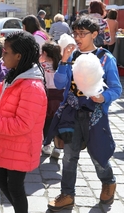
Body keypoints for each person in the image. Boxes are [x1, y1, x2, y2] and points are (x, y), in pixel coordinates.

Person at [47, 15, 122, 212]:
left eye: (82, 34)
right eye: (76, 33)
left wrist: (103, 97)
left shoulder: (105, 58)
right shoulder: (72, 56)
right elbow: (60, 83)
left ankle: (108, 182)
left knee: (98, 155)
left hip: (95, 116)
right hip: (71, 114)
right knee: (69, 157)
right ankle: (67, 194)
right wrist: (63, 61)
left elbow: (116, 89)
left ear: (94, 34)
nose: (78, 38)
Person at [0, 31, 47, 213]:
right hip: (8, 142)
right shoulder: (15, 75)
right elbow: (0, 96)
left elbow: (22, 124)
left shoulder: (31, 86)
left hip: (21, 145)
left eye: (5, 52)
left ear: (18, 56)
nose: (2, 55)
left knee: (15, 186)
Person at [39, 42, 64, 159]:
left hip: (47, 95)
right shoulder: (61, 65)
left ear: (44, 53)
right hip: (61, 95)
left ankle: (46, 144)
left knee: (47, 121)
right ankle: (58, 147)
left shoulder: (41, 66)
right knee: (59, 121)